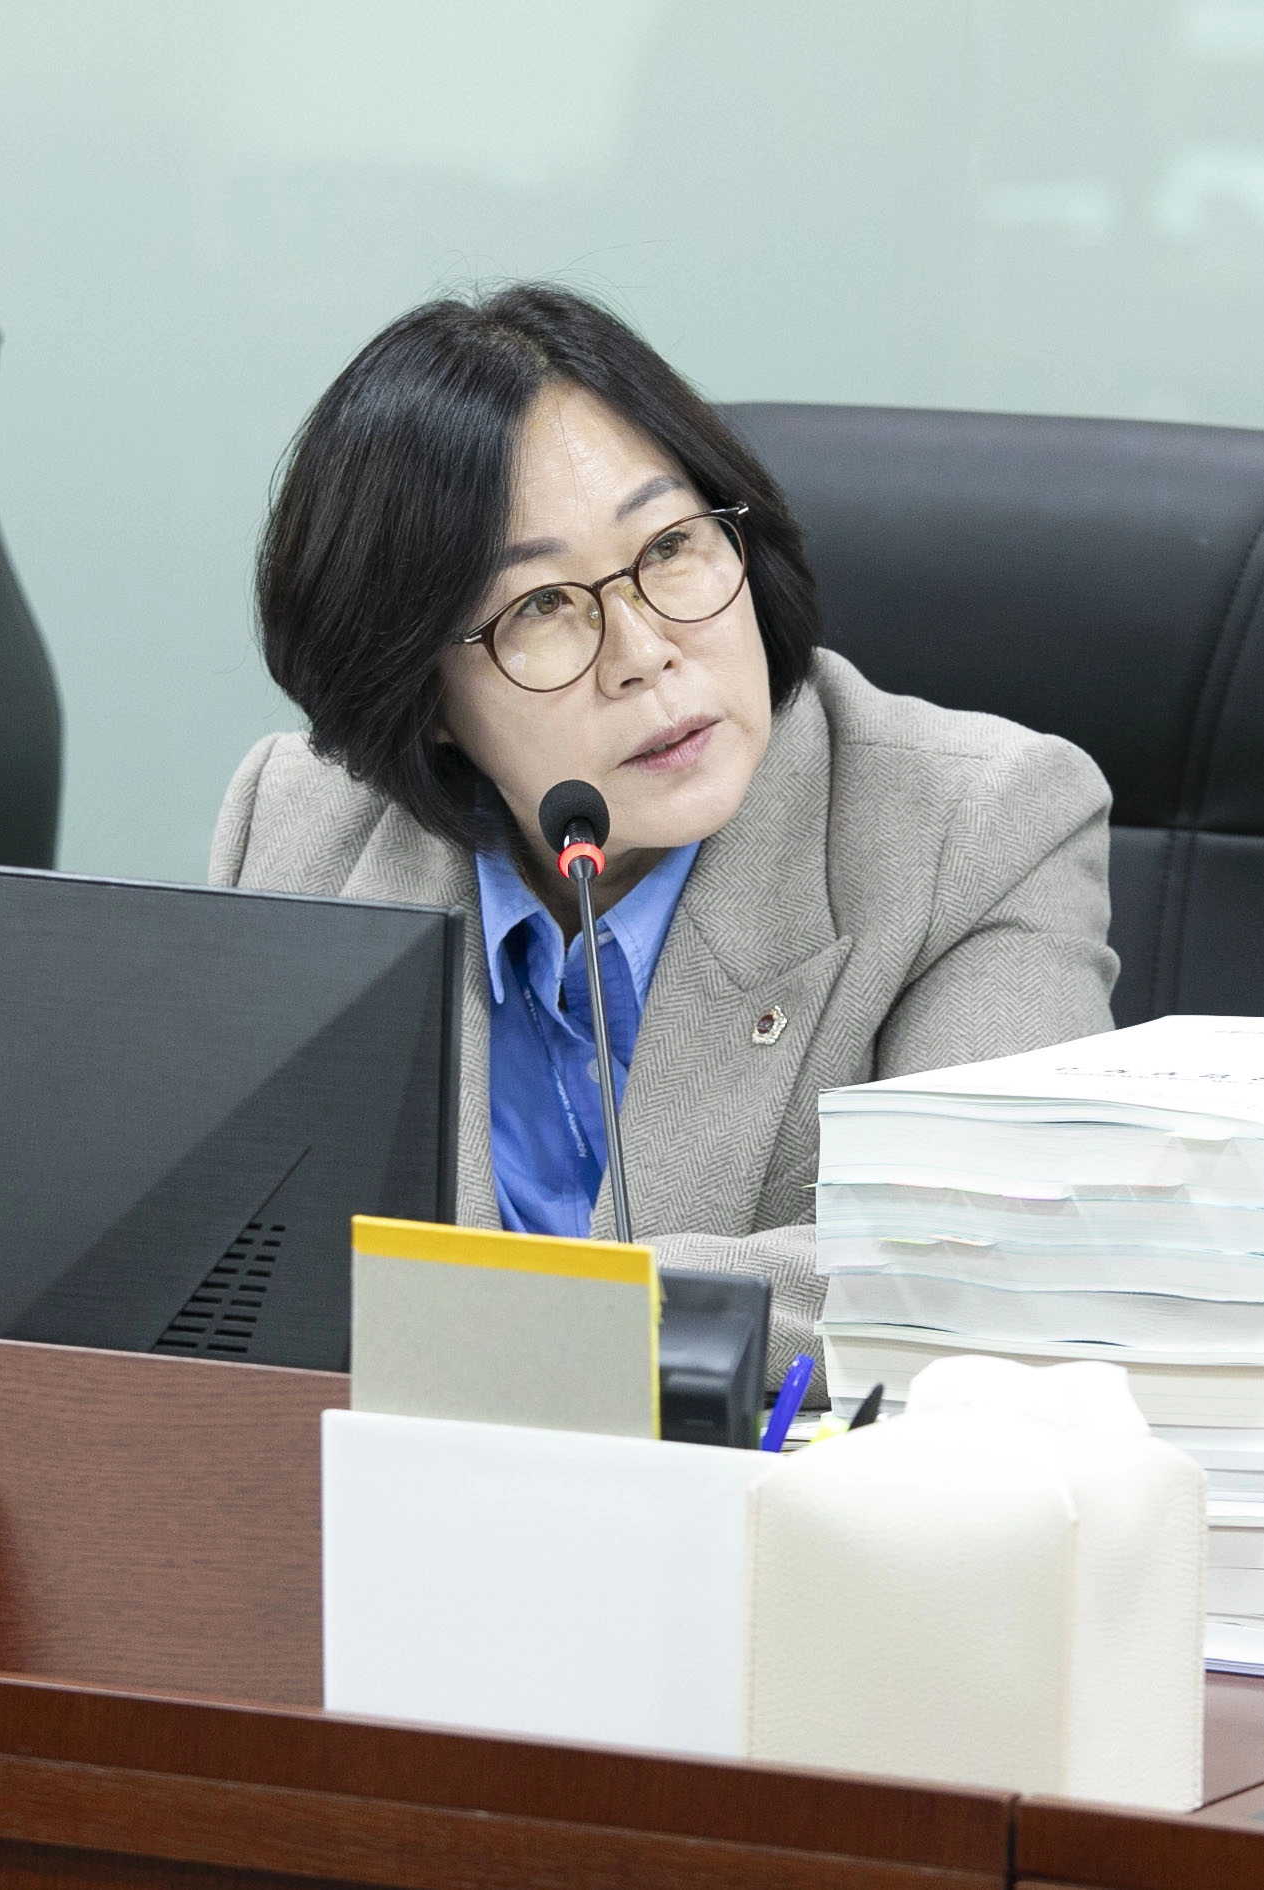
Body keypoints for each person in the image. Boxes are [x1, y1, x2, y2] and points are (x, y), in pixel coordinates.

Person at [212, 284, 1117, 1387]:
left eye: (672, 546)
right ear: (424, 694)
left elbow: (982, 1262)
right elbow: (221, 1256)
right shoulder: (300, 828)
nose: (643, 652)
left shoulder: (972, 828)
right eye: (540, 607)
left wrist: (510, 1328)